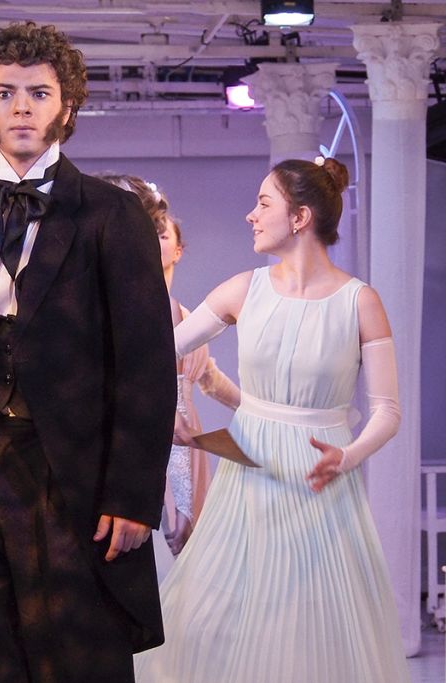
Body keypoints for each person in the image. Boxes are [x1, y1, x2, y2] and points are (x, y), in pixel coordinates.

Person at [0, 23, 176, 682]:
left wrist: (134, 495)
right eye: (5, 92)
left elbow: (146, 365)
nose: (22, 107)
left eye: (38, 92)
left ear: (67, 106)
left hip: (72, 475)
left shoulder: (111, 215)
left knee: (80, 658)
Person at [134, 157, 409, 681]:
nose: (251, 215)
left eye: (264, 203)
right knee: (213, 616)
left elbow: (388, 412)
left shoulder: (360, 302)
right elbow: (154, 353)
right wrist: (165, 414)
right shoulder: (243, 289)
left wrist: (348, 455)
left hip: (320, 481)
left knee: (310, 627)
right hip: (249, 477)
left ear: (300, 217)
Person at [97, 173, 240, 561]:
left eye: (163, 235)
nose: (153, 240)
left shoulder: (188, 317)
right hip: (142, 428)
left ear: (178, 250)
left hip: (183, 433)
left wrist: (255, 408)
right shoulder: (116, 305)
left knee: (187, 539)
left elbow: (210, 377)